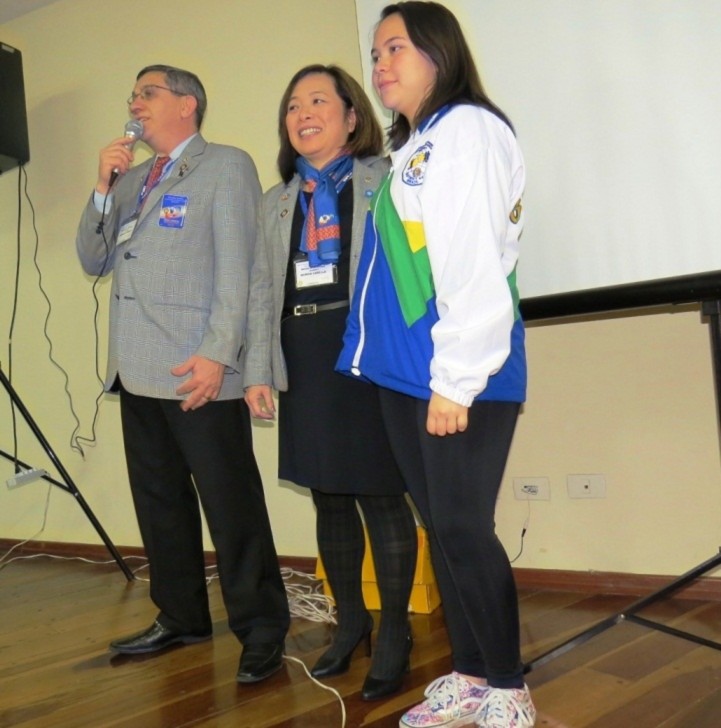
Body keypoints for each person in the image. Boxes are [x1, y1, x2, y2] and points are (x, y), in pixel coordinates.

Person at [336, 3, 536, 727]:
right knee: (443, 528)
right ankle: (472, 674)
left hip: (458, 376)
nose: (379, 63)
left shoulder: (467, 129)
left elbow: (472, 261)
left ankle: (508, 686)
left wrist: (454, 381)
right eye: (375, 51)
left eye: (395, 47)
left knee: (461, 526)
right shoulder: (416, 146)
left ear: (438, 51)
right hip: (408, 375)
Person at [75, 64, 290, 684]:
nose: (135, 103)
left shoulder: (225, 165)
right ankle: (181, 615)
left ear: (187, 103)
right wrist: (102, 187)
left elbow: (242, 268)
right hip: (135, 369)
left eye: (147, 92)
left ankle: (262, 629)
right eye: (132, 95)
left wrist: (219, 353)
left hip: (198, 368)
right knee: (160, 502)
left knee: (231, 504)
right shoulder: (132, 179)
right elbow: (93, 257)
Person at [244, 64, 418, 701]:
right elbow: (261, 290)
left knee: (381, 494)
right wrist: (258, 369)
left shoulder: (387, 179)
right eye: (293, 106)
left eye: (318, 100)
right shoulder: (277, 201)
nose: (303, 114)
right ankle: (352, 623)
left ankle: (395, 630)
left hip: (367, 347)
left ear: (351, 116)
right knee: (330, 496)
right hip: (305, 351)